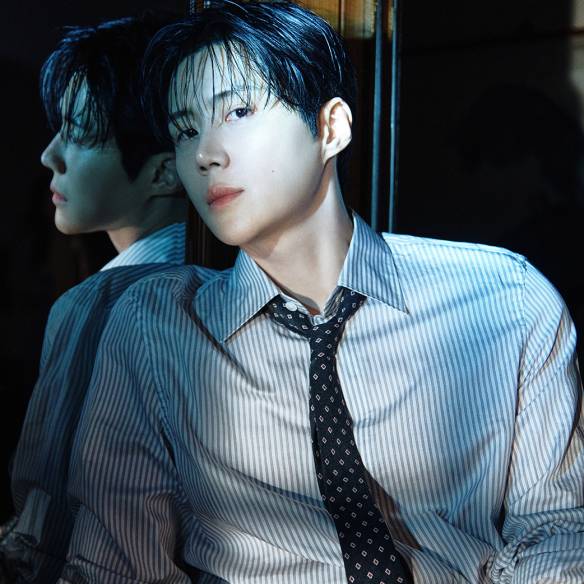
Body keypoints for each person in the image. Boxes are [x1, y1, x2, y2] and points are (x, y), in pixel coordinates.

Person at [57, 2, 584, 583]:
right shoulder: (156, 326)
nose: (205, 153)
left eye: (238, 110)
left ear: (331, 128)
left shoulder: (506, 300)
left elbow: (559, 532)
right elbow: (114, 564)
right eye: (185, 131)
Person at [1, 13, 215, 584]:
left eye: (79, 133)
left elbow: (57, 535)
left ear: (165, 173)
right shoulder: (226, 285)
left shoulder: (104, 303)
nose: (51, 155)